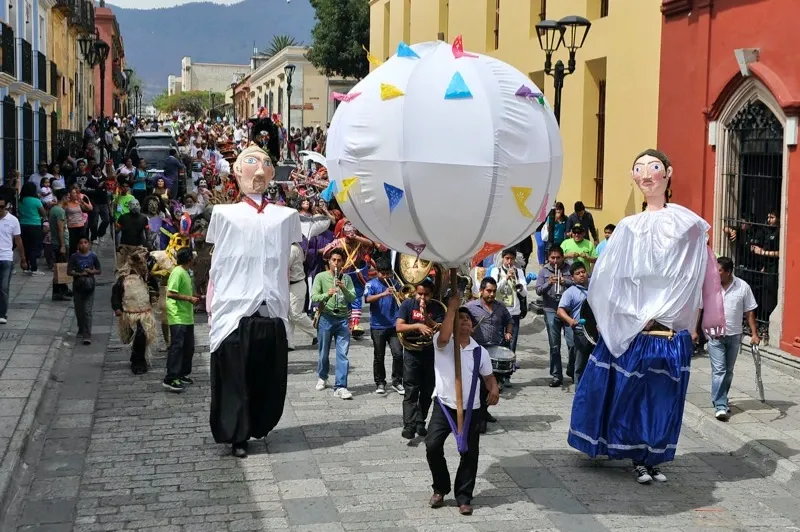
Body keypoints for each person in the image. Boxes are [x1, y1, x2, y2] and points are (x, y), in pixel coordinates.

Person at [567, 149, 725, 484]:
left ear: (668, 172)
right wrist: (628, 316)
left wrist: (709, 313)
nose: (646, 175)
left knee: (664, 399)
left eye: (653, 168)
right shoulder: (628, 228)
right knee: (634, 396)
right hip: (639, 330)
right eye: (639, 169)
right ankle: (638, 459)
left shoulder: (688, 224)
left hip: (671, 333)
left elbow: (706, 267)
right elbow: (609, 278)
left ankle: (654, 457)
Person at [206, 143, 301, 459]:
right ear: (236, 170)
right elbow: (216, 263)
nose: (258, 170)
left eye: (265, 163)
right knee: (235, 375)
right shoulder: (224, 214)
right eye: (251, 162)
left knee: (264, 373)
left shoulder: (285, 215)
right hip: (235, 309)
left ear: (273, 173)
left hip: (270, 307)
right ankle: (236, 433)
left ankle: (256, 424)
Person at [426, 294, 499, 516]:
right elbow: (444, 336)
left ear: (473, 327)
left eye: (468, 319)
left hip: (471, 409)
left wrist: (494, 388)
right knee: (432, 445)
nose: (465, 321)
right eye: (460, 318)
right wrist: (452, 308)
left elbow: (488, 377)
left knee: (470, 454)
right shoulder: (443, 343)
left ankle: (464, 496)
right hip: (445, 405)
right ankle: (440, 487)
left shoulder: (480, 351)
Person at [707, 256, 759, 421]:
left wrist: (754, 334)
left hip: (734, 335)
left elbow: (750, 311)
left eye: (719, 270)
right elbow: (699, 308)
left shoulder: (743, 287)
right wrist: (694, 330)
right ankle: (721, 405)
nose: (716, 273)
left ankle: (720, 397)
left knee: (728, 372)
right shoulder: (710, 286)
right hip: (715, 335)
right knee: (720, 370)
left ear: (728, 272)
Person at [396, 279, 446, 439]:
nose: (422, 298)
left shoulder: (437, 307)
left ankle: (420, 421)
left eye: (426, 294)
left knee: (427, 390)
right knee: (411, 389)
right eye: (420, 294)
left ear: (432, 294)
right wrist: (417, 326)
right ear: (415, 292)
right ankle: (408, 425)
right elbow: (399, 326)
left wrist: (426, 317)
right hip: (412, 351)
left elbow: (439, 328)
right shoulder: (407, 305)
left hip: (430, 352)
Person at [311, 247, 356, 399]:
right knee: (323, 352)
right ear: (329, 262)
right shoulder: (321, 277)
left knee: (342, 353)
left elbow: (353, 298)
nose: (336, 263)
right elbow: (314, 297)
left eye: (339, 261)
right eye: (333, 260)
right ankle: (322, 376)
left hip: (343, 319)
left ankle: (341, 386)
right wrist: (327, 294)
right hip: (326, 318)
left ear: (343, 263)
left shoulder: (347, 279)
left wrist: (343, 288)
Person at [111, 249, 159, 375]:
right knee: (137, 337)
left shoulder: (147, 278)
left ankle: (139, 360)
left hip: (144, 315)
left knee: (142, 336)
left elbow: (154, 289)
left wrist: (154, 295)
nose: (143, 266)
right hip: (129, 314)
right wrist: (117, 308)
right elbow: (116, 294)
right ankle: (137, 361)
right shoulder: (123, 279)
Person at [534, 246, 574, 386]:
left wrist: (566, 281)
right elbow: (538, 290)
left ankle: (572, 369)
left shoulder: (570, 269)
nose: (555, 261)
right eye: (553, 258)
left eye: (558, 258)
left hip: (568, 310)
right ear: (549, 258)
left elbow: (579, 283)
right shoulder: (544, 271)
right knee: (554, 344)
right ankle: (556, 375)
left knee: (572, 343)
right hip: (551, 309)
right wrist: (548, 283)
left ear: (563, 257)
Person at [364, 257, 404, 395]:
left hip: (394, 325)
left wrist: (398, 294)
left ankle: (397, 381)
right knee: (379, 356)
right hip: (377, 325)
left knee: (398, 354)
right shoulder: (371, 284)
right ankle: (380, 382)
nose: (386, 276)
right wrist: (383, 293)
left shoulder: (396, 283)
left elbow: (404, 297)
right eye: (383, 273)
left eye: (388, 273)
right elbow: (367, 299)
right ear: (377, 272)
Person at [163, 248, 198, 393]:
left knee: (188, 347)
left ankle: (182, 373)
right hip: (177, 316)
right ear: (189, 259)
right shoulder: (177, 273)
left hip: (187, 316)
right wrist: (189, 299)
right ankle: (171, 377)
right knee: (177, 347)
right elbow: (171, 293)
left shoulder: (186, 272)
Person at [555, 261, 591, 384]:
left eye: (583, 272)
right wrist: (570, 320)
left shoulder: (596, 288)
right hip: (581, 333)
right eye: (578, 273)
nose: (581, 275)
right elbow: (560, 311)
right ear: (572, 277)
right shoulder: (570, 292)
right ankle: (579, 391)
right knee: (580, 364)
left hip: (597, 333)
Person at [488, 248, 527, 354]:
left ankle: (511, 364)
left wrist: (518, 284)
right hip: (498, 311)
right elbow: (494, 289)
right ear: (502, 258)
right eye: (507, 258)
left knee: (512, 343)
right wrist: (505, 278)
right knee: (499, 341)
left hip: (514, 312)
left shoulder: (519, 272)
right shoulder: (496, 271)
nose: (509, 262)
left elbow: (524, 293)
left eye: (512, 259)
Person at [68, 237, 101, 345]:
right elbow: (69, 271)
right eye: (81, 243)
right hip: (78, 286)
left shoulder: (93, 256)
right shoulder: (74, 257)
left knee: (87, 311)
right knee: (79, 310)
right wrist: (79, 274)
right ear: (78, 245)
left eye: (85, 242)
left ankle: (87, 334)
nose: (83, 245)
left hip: (89, 285)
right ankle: (81, 328)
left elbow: (99, 270)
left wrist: (91, 271)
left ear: (89, 244)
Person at [0, 197, 26, 324]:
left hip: (6, 257)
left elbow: (18, 240)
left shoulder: (13, 220)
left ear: (6, 207)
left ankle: (2, 313)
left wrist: (23, 259)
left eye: (1, 207)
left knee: (4, 287)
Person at [287, 240, 317, 348]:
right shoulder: (290, 246)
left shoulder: (293, 248)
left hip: (296, 284)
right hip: (290, 285)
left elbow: (286, 266)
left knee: (295, 314)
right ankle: (288, 342)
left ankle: (316, 332)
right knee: (289, 314)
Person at [17, 182, 46, 276]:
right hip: (35, 225)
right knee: (34, 247)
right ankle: (34, 268)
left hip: (22, 226)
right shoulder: (36, 201)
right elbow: (43, 213)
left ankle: (27, 267)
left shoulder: (20, 200)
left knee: (26, 246)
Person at [49, 189, 72, 301]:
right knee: (61, 268)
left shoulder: (55, 209)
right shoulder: (59, 211)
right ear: (63, 197)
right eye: (68, 196)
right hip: (59, 243)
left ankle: (64, 289)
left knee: (61, 267)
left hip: (57, 242)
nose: (69, 198)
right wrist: (63, 245)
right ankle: (58, 292)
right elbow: (60, 229)